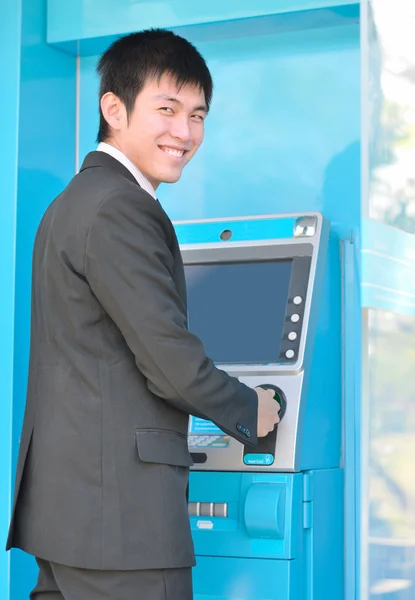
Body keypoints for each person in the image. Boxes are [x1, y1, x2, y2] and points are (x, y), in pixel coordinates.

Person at [7, 29, 280, 600]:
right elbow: (170, 363)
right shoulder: (120, 208)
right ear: (114, 108)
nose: (184, 132)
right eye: (167, 109)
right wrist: (253, 409)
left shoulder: (72, 202)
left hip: (71, 521)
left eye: (198, 115)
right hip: (123, 526)